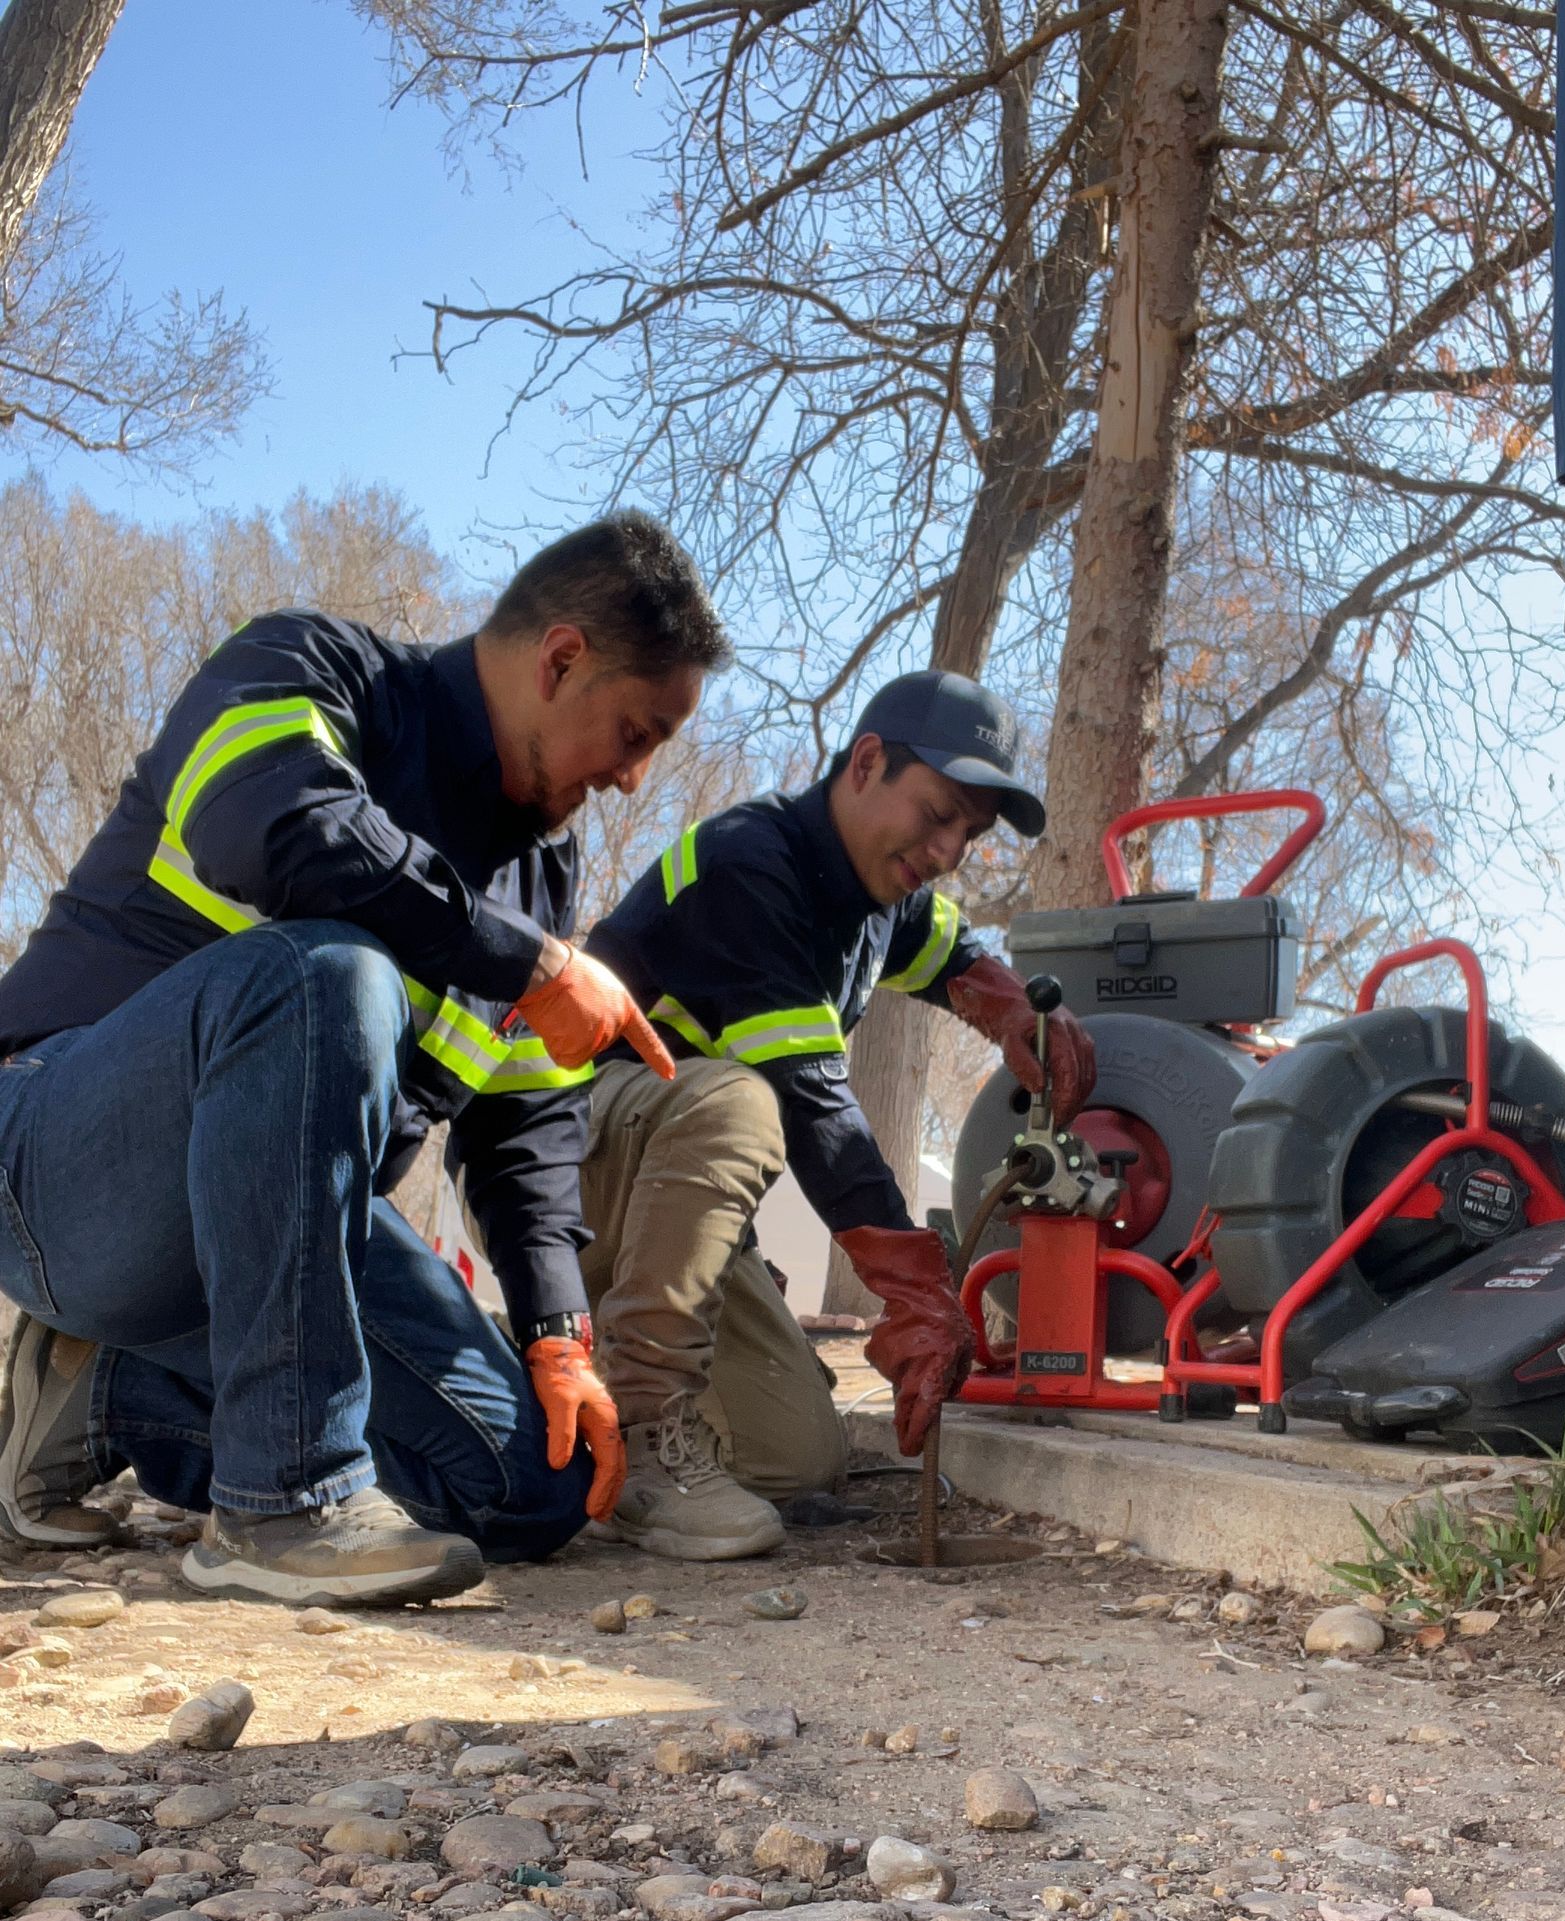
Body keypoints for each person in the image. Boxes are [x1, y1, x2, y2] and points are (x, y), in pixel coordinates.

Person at [0, 511, 728, 1608]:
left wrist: (560, 1336)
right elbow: (279, 824)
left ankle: (111, 1387)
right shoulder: (306, 668)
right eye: (636, 733)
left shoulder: (540, 879)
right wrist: (528, 964)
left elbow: (523, 1133)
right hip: (60, 1164)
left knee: (538, 1487)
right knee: (326, 976)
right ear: (561, 659)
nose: (633, 779)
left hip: (279, 1256)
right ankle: (283, 1503)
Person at [578, 668, 1096, 1560]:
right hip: (566, 1159)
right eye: (937, 815)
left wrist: (1010, 1005)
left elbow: (951, 953)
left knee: (797, 1458)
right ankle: (645, 1435)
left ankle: (564, 1373)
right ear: (865, 763)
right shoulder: (750, 863)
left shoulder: (880, 901)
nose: (946, 853)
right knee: (742, 1098)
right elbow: (810, 1100)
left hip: (666, 1200)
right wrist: (908, 1281)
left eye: (967, 836)